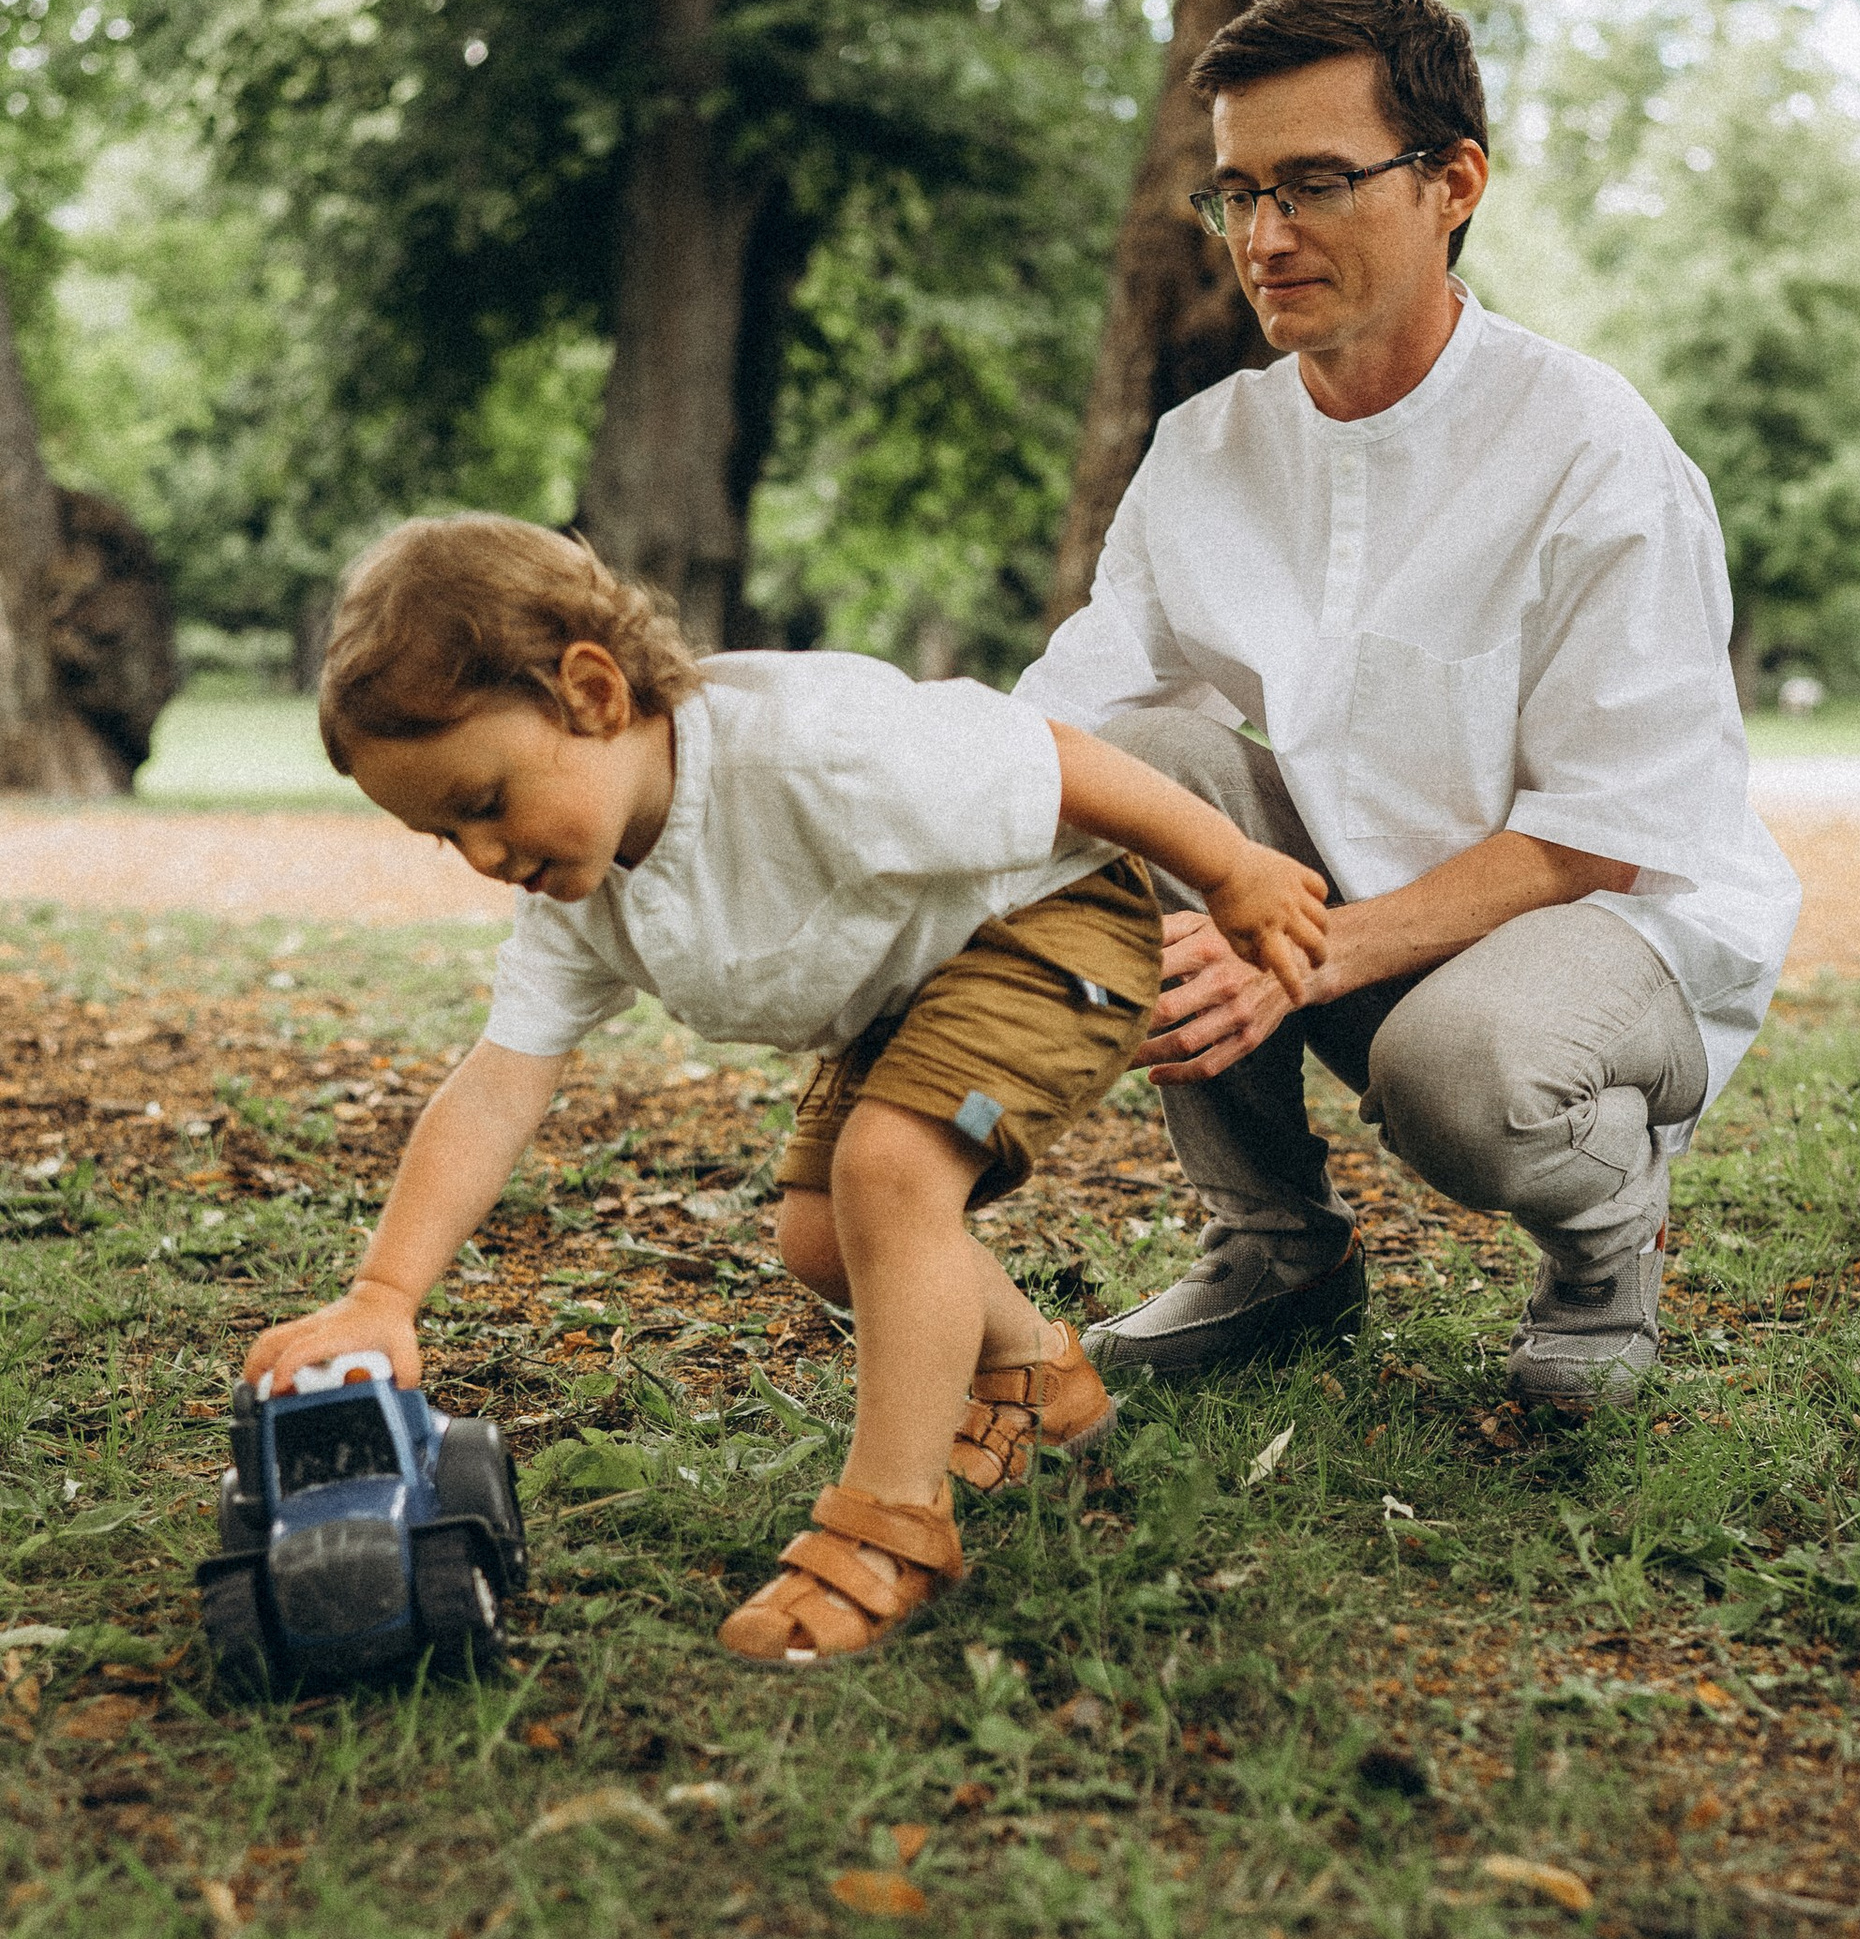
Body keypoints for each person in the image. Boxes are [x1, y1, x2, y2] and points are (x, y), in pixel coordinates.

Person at [242, 517, 1325, 1663]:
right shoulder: (580, 898)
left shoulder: (810, 747)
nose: (481, 855)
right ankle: (1034, 1376)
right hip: (910, 987)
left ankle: (892, 1526)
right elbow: (496, 1086)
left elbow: (1057, 759)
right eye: (442, 836)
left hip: (1046, 927)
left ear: (592, 693)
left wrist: (1231, 870)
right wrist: (383, 1293)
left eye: (484, 800)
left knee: (889, 1173)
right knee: (822, 1240)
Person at [1015, 0, 1801, 1408]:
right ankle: (1276, 1248)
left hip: (1616, 926)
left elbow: (1604, 830)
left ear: (1454, 184)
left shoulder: (1591, 448)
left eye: (1314, 184)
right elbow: (1057, 728)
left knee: (1462, 1071)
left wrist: (1297, 953)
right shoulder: (1205, 451)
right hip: (1363, 913)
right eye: (1237, 193)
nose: (1264, 237)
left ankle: (1606, 1243)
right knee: (1139, 767)